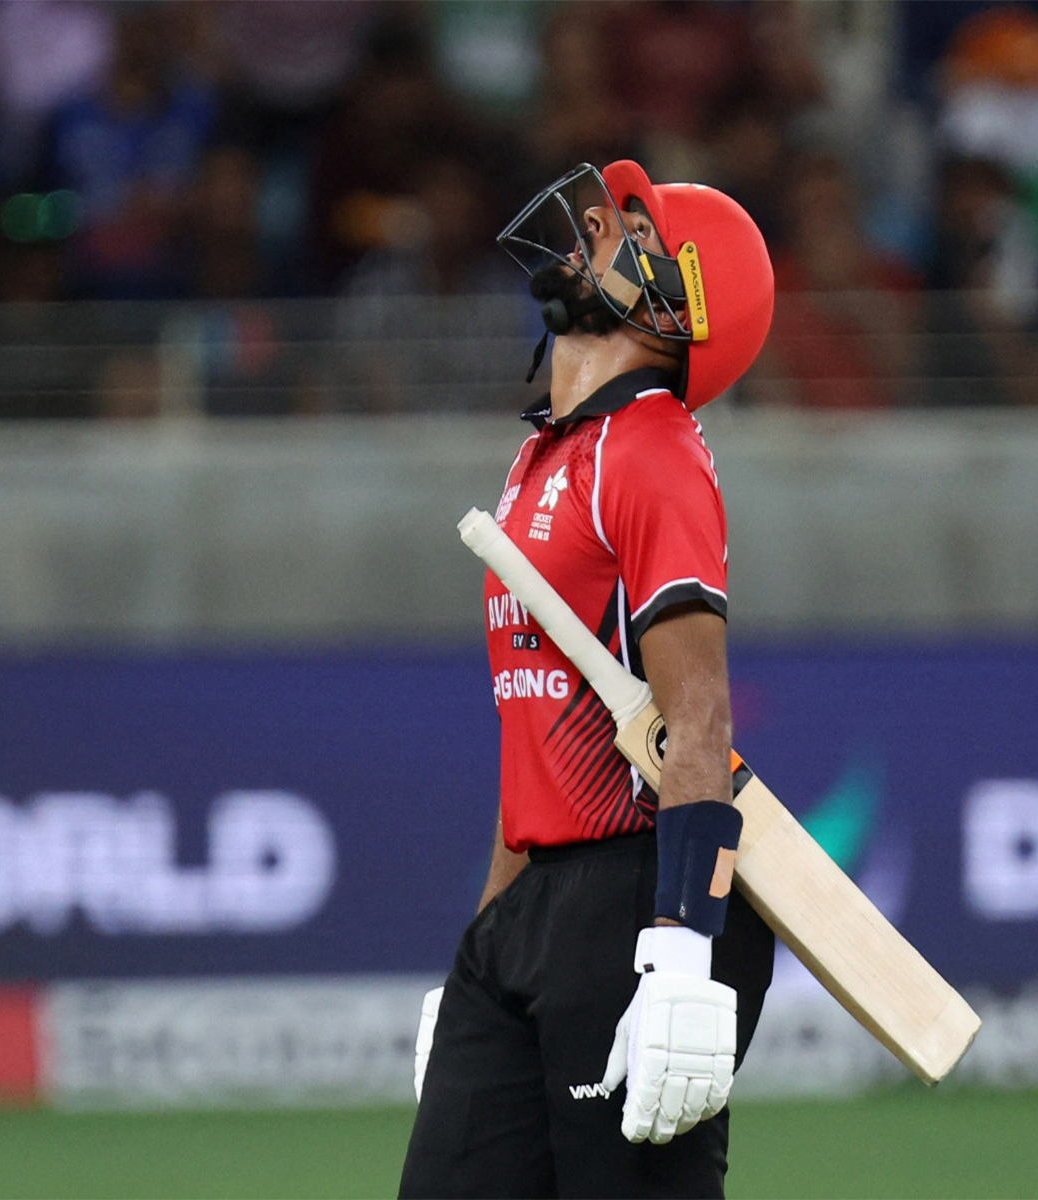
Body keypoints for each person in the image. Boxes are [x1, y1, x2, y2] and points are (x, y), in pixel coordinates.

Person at [399, 160, 776, 1198]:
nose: (598, 224)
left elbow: (695, 719)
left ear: (679, 302)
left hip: (634, 900)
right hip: (531, 915)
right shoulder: (538, 464)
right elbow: (536, 745)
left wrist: (682, 952)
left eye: (631, 226)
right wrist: (481, 941)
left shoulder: (651, 446)